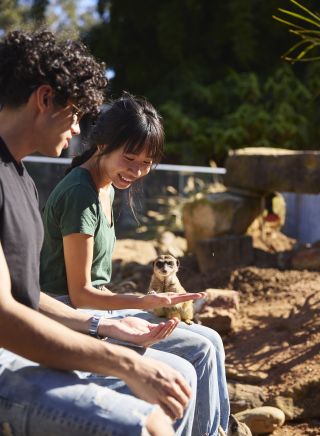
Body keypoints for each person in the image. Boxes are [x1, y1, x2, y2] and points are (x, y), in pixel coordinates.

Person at [0, 29, 207, 436]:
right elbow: (6, 318)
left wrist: (104, 326)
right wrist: (123, 361)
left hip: (26, 346)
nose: (78, 130)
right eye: (75, 113)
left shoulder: (20, 178)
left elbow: (25, 294)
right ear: (44, 99)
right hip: (9, 359)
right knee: (146, 422)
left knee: (179, 373)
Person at [40, 93, 230, 435]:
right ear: (102, 145)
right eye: (129, 158)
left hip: (98, 310)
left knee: (212, 340)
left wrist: (141, 306)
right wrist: (143, 303)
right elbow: (80, 295)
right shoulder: (80, 194)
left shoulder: (107, 186)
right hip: (69, 317)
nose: (138, 171)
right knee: (199, 351)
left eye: (147, 162)